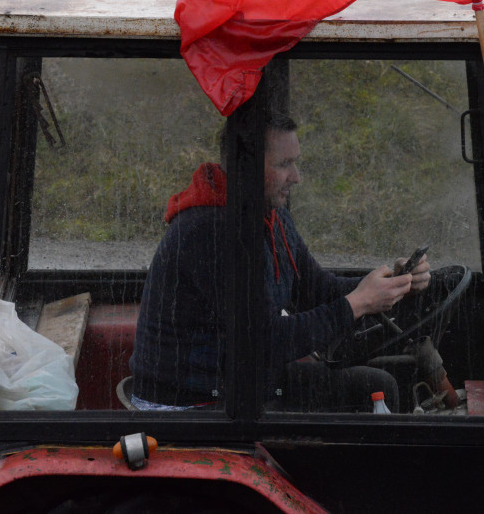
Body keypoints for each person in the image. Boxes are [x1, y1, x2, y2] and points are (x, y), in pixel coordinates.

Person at [129, 113, 430, 412]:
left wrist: (392, 284)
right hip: (191, 403)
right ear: (244, 167)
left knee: (378, 387)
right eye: (284, 164)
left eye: (295, 162)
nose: (296, 176)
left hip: (240, 380)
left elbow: (316, 289)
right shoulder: (210, 230)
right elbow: (263, 341)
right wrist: (359, 303)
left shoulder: (270, 214)